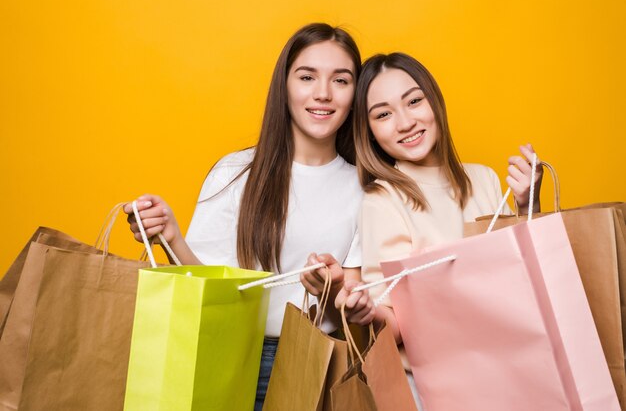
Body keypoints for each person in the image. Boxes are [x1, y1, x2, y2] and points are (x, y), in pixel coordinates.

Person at [124, 23, 363, 410]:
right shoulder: (236, 172)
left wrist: (331, 288)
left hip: (313, 362)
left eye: (341, 80)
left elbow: (361, 309)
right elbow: (209, 290)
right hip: (226, 355)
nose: (323, 93)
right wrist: (172, 237)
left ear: (356, 94)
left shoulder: (367, 190)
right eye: (307, 77)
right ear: (284, 87)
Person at [334, 52, 543, 407]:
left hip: (511, 371)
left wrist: (528, 207)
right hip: (437, 390)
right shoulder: (382, 202)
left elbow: (530, 280)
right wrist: (366, 312)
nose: (404, 122)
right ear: (368, 131)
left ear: (434, 100)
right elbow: (395, 321)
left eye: (414, 101)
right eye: (383, 114)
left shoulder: (485, 179)